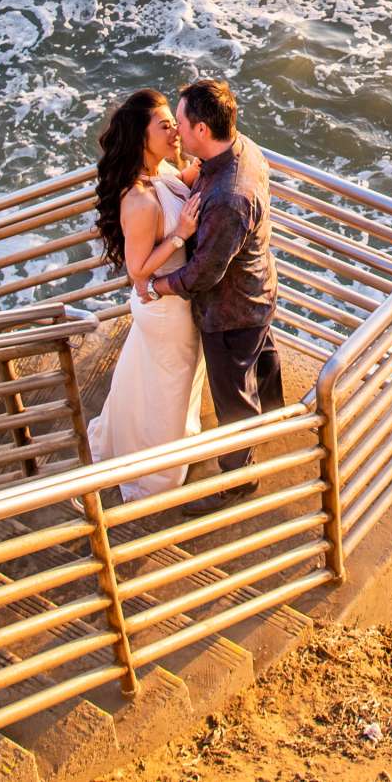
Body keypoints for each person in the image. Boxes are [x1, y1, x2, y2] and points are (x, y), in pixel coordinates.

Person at [143, 77, 280, 514]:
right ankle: (275, 415)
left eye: (181, 123)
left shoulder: (227, 197)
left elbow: (204, 273)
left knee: (232, 396)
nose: (176, 132)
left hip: (232, 311)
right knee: (261, 359)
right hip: (258, 287)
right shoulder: (242, 149)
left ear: (203, 130)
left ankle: (239, 477)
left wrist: (160, 284)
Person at [82, 89, 207, 504]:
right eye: (165, 125)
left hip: (177, 299)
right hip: (163, 305)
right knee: (168, 384)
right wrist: (180, 236)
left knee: (154, 380)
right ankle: (154, 475)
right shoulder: (137, 198)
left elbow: (179, 184)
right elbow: (137, 268)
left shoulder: (164, 171)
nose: (175, 131)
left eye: (175, 122)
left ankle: (136, 443)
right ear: (141, 136)